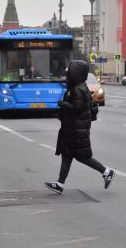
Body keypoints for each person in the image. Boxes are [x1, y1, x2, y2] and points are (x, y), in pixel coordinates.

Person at [45, 60, 115, 194]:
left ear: (75, 73)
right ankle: (59, 184)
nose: (67, 76)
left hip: (76, 130)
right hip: (72, 128)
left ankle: (106, 172)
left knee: (82, 156)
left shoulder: (78, 89)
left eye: (69, 73)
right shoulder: (77, 87)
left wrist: (63, 104)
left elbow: (77, 108)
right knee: (67, 154)